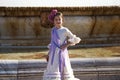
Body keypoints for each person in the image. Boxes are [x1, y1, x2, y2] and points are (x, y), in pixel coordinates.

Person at [43, 9, 81, 80]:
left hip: (62, 52)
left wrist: (66, 44)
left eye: (59, 19)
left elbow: (74, 39)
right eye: (56, 20)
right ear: (53, 21)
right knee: (54, 69)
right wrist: (48, 54)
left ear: (62, 20)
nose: (58, 21)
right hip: (53, 55)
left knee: (63, 68)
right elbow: (52, 44)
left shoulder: (65, 30)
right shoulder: (53, 30)